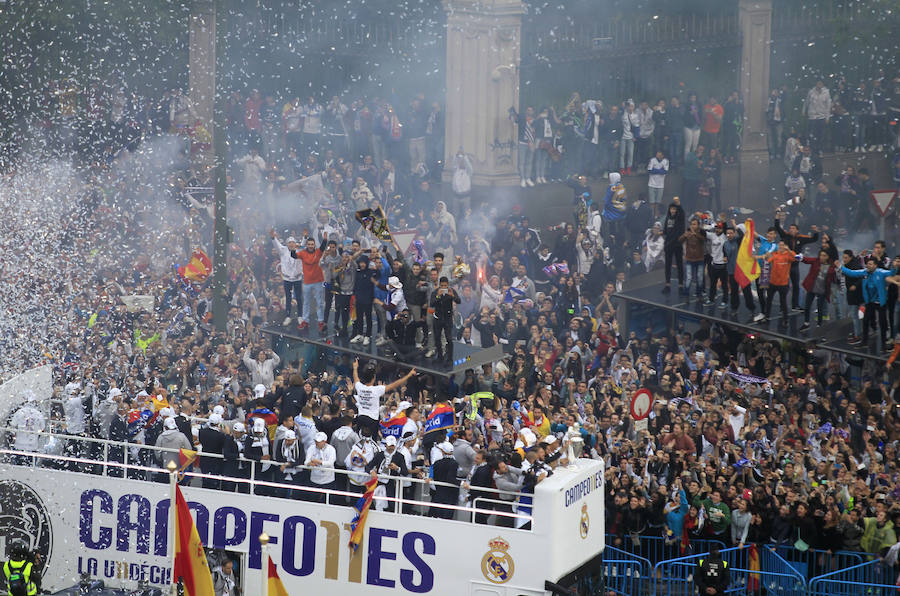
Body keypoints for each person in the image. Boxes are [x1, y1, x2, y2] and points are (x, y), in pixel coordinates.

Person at [351, 358, 417, 436]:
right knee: (372, 444)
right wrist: (409, 375)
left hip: (361, 419)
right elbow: (395, 384)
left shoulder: (359, 387)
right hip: (372, 421)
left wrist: (355, 368)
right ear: (374, 377)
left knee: (360, 441)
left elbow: (355, 379)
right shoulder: (377, 389)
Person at [841, 257, 893, 350]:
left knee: (883, 323)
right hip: (870, 301)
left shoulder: (880, 272)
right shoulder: (865, 272)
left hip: (880, 301)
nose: (868, 266)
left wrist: (896, 267)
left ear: (875, 266)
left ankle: (884, 343)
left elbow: (891, 273)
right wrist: (840, 266)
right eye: (867, 264)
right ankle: (864, 342)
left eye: (870, 264)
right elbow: (852, 273)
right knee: (865, 321)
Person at [290, 235, 328, 333]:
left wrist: (324, 239)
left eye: (312, 244)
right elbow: (294, 256)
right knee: (306, 302)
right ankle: (305, 321)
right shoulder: (302, 253)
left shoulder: (318, 252)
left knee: (319, 302)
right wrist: (293, 249)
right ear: (306, 245)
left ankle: (320, 322)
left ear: (314, 245)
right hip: (307, 282)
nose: (311, 246)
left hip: (318, 281)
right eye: (309, 244)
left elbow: (323, 247)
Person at [430, 276, 460, 364]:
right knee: (437, 338)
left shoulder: (451, 291)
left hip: (447, 318)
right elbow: (431, 304)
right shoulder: (435, 292)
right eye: (442, 285)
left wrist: (453, 296)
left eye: (445, 286)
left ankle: (450, 358)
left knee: (449, 339)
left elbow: (458, 301)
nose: (444, 288)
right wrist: (438, 296)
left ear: (448, 285)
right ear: (439, 285)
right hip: (438, 318)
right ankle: (440, 356)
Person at [305, 431, 336, 503]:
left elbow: (331, 462)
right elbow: (306, 461)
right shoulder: (311, 448)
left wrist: (319, 462)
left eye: (318, 441)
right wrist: (309, 463)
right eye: (315, 441)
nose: (316, 443)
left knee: (328, 500)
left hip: (328, 479)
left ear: (324, 441)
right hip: (314, 479)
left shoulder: (331, 449)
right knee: (313, 500)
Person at [647, 150, 669, 219]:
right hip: (651, 184)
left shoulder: (666, 161)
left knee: (658, 202)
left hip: (660, 185)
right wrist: (660, 170)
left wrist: (655, 169)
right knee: (652, 202)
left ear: (662, 155)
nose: (657, 156)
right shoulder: (652, 160)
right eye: (657, 155)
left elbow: (665, 172)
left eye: (659, 155)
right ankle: (651, 215)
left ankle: (656, 215)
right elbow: (650, 170)